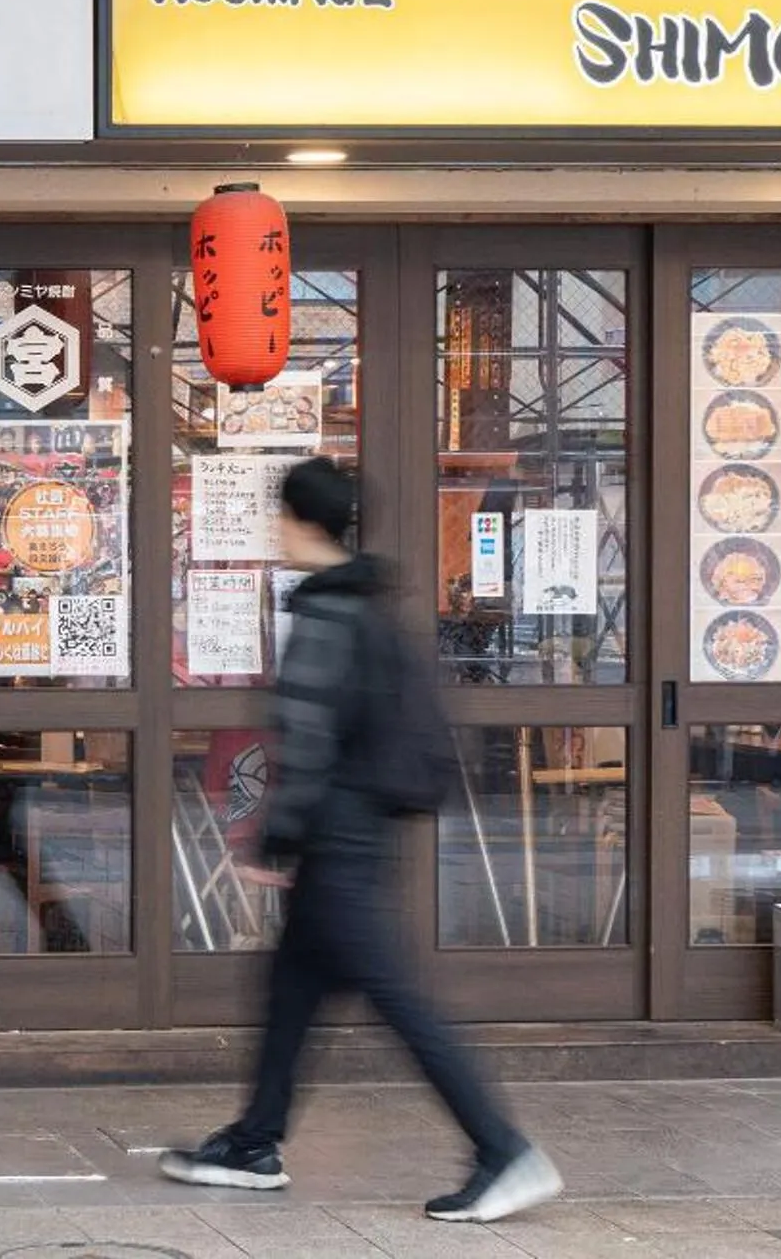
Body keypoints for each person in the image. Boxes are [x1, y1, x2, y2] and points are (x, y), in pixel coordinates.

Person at [160, 456, 562, 1227]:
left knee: (402, 1002)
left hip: (337, 842)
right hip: (353, 834)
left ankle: (502, 1149)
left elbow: (308, 742)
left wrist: (270, 841)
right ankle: (254, 1142)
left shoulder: (328, 614)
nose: (272, 532)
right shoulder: (367, 604)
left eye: (278, 517)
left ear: (302, 523)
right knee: (289, 992)